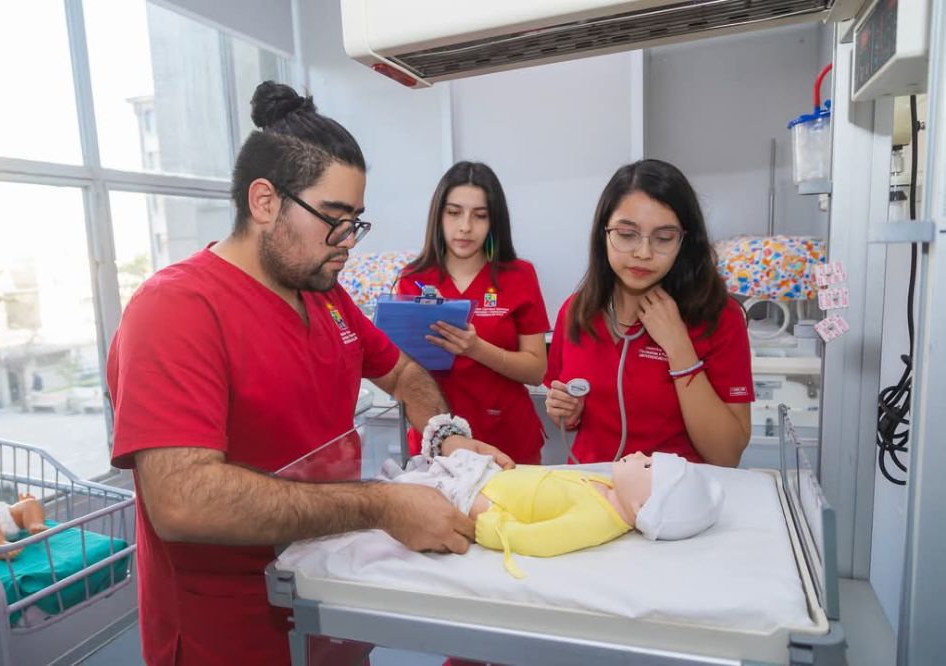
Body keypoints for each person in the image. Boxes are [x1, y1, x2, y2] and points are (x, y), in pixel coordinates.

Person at [107, 82, 513, 666]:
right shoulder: (176, 309)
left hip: (327, 599)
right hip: (230, 628)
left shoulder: (322, 294)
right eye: (334, 220)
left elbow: (404, 373)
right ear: (265, 202)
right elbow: (183, 500)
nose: (348, 243)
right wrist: (380, 505)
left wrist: (444, 436)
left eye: (356, 223)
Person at [544, 159, 753, 466]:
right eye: (626, 235)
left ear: (684, 241)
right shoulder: (576, 311)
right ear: (604, 233)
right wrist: (567, 412)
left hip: (673, 491)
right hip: (592, 487)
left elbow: (726, 455)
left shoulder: (719, 317)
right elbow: (573, 415)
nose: (643, 253)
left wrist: (679, 348)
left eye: (663, 238)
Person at [397, 162, 550, 464]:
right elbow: (403, 370)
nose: (465, 226)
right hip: (439, 443)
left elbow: (536, 371)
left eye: (480, 215)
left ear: (494, 221)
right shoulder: (414, 279)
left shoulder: (519, 275)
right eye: (454, 213)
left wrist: (476, 348)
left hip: (508, 437)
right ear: (439, 216)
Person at [383, 450, 724, 578]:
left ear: (641, 508)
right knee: (450, 463)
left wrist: (496, 530)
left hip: (478, 501)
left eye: (646, 465)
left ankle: (397, 484)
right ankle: (416, 471)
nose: (637, 454)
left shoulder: (596, 520)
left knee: (427, 493)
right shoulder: (608, 487)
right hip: (489, 478)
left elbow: (542, 540)